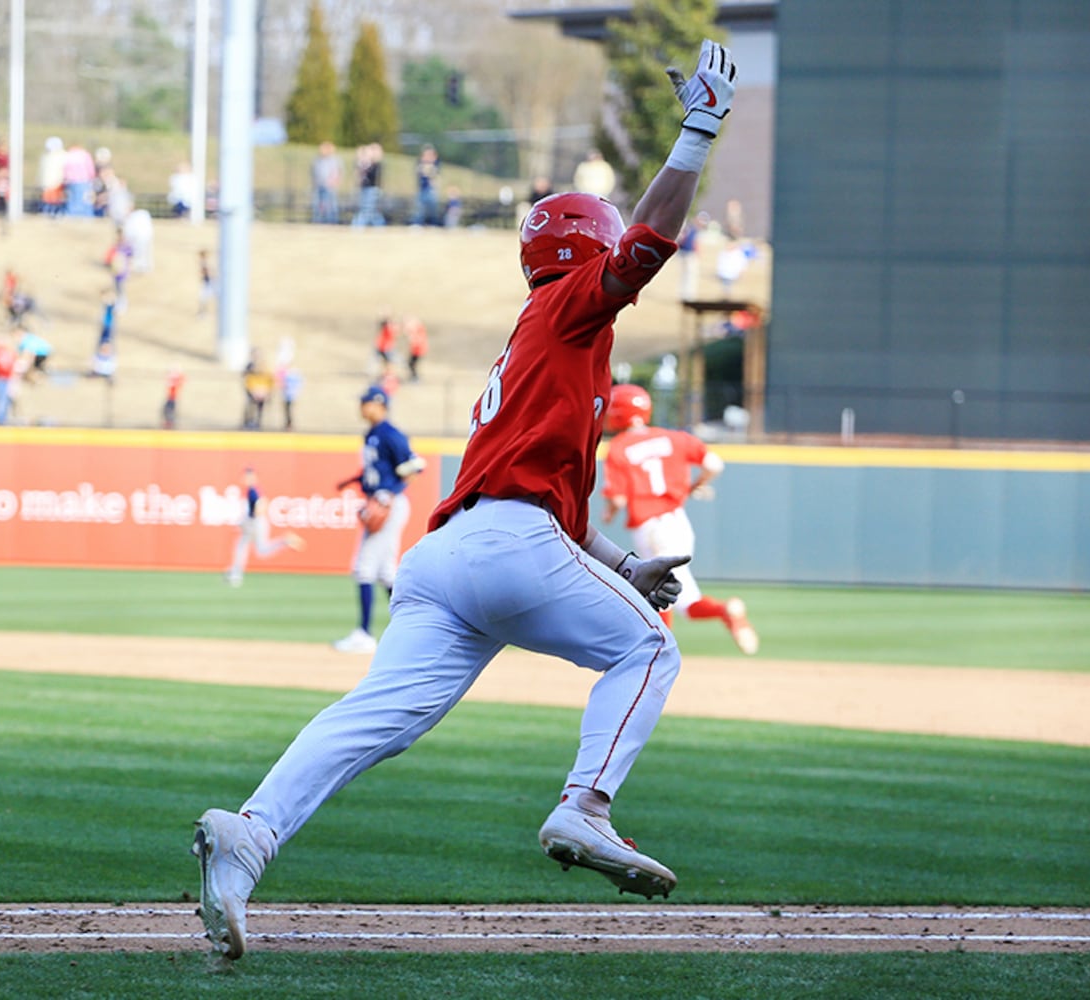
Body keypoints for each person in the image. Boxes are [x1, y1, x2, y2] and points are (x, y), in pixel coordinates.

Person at [191, 38, 738, 962]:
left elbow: (550, 511)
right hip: (506, 545)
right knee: (647, 653)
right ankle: (584, 807)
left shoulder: (540, 348)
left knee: (370, 721)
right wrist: (697, 132)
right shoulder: (572, 303)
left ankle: (248, 839)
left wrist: (621, 562)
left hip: (451, 558)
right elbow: (648, 245)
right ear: (584, 248)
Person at [601, 383, 758, 653]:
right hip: (678, 523)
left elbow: (618, 499)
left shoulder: (619, 447)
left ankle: (658, 650)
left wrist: (609, 513)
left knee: (658, 590)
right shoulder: (673, 437)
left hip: (652, 527)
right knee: (685, 602)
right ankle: (725, 610)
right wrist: (695, 486)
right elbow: (713, 464)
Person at [329, 385, 426, 654]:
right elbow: (376, 470)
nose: (362, 407)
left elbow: (415, 466)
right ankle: (414, 632)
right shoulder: (372, 434)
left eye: (366, 402)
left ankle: (364, 633)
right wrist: (351, 481)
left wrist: (389, 494)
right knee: (385, 572)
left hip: (389, 505)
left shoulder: (389, 433)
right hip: (381, 501)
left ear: (380, 404)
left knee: (364, 567)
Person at [224, 468, 305, 587]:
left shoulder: (253, 490)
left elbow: (262, 504)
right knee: (258, 549)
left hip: (256, 522)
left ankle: (236, 575)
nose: (245, 479)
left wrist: (248, 522)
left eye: (248, 476)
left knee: (244, 547)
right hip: (256, 522)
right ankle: (285, 541)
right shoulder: (251, 490)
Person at [0, 331, 18, 424]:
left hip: (9, 378)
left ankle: (4, 418)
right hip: (0, 378)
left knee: (7, 399)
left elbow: (14, 364)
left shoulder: (10, 351)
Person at [352, 143, 384, 227]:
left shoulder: (375, 165)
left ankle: (360, 224)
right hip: (364, 188)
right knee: (369, 210)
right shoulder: (363, 164)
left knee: (368, 209)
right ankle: (378, 225)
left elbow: (374, 176)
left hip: (372, 189)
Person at [241, 350, 273, 430]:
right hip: (253, 391)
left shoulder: (265, 367)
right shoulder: (250, 366)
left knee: (260, 408)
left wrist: (267, 391)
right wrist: (252, 390)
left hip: (262, 391)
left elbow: (270, 380)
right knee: (250, 406)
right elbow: (247, 379)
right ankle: (248, 421)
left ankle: (258, 422)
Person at [311, 142, 342, 224]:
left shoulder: (334, 160)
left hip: (329, 187)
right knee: (319, 206)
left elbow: (337, 173)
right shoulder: (318, 160)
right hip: (320, 186)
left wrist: (333, 182)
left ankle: (332, 222)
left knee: (331, 206)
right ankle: (318, 222)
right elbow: (314, 172)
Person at [411, 145, 440, 226]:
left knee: (432, 209)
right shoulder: (420, 164)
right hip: (422, 189)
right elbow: (419, 172)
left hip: (431, 190)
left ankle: (433, 224)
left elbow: (433, 175)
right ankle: (417, 223)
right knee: (419, 209)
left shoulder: (435, 164)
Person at [405, 316, 428, 382]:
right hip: (416, 350)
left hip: (418, 350)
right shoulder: (416, 329)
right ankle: (414, 377)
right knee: (411, 364)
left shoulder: (418, 329)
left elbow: (416, 340)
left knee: (411, 364)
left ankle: (415, 377)